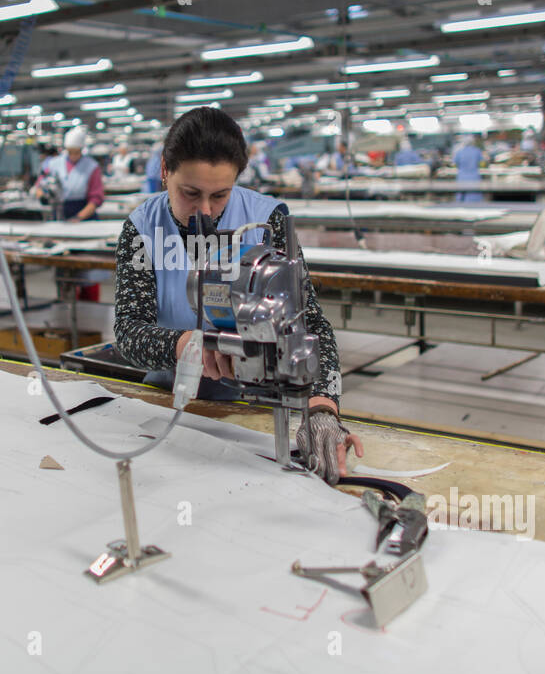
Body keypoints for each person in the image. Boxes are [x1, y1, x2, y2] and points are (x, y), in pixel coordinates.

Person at [113, 107, 364, 483]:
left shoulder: (265, 222)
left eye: (220, 195)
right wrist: (186, 345)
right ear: (165, 170)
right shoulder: (141, 228)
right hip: (167, 405)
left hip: (253, 412)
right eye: (190, 193)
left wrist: (322, 407)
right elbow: (129, 333)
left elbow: (309, 323)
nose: (206, 211)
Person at [35, 125, 106, 301]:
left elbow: (96, 199)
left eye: (76, 151)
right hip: (60, 217)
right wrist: (42, 194)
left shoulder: (91, 167)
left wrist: (78, 218)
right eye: (69, 151)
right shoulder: (53, 164)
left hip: (84, 218)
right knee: (62, 268)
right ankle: (65, 306)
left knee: (87, 272)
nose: (72, 155)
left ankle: (90, 310)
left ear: (82, 149)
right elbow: (39, 185)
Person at [452, 134, 483, 202]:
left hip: (462, 177)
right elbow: (481, 164)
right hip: (474, 177)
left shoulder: (459, 152)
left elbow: (455, 164)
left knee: (461, 198)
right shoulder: (477, 151)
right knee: (474, 196)